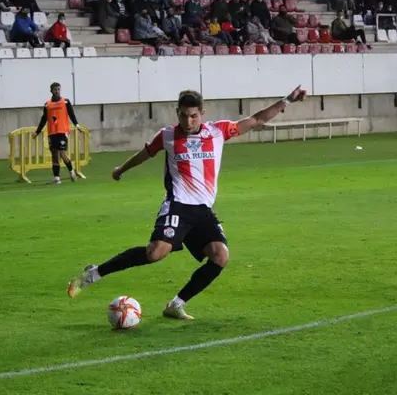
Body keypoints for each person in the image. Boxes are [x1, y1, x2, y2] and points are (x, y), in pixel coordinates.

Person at [66, 85, 308, 319]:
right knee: (155, 253)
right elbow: (146, 153)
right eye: (183, 115)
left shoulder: (218, 131)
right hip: (177, 205)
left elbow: (257, 120)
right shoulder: (168, 135)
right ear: (177, 113)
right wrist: (121, 169)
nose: (188, 121)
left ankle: (176, 304)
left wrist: (287, 100)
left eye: (193, 116)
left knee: (220, 256)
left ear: (202, 114)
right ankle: (93, 274)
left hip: (203, 211)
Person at [32, 82, 83, 184]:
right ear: (51, 90)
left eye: (58, 89)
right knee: (54, 155)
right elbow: (44, 119)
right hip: (52, 132)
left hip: (62, 131)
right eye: (55, 89)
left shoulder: (65, 102)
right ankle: (57, 178)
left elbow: (71, 114)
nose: (57, 91)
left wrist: (77, 125)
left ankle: (71, 171)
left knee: (63, 154)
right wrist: (37, 132)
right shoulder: (47, 104)